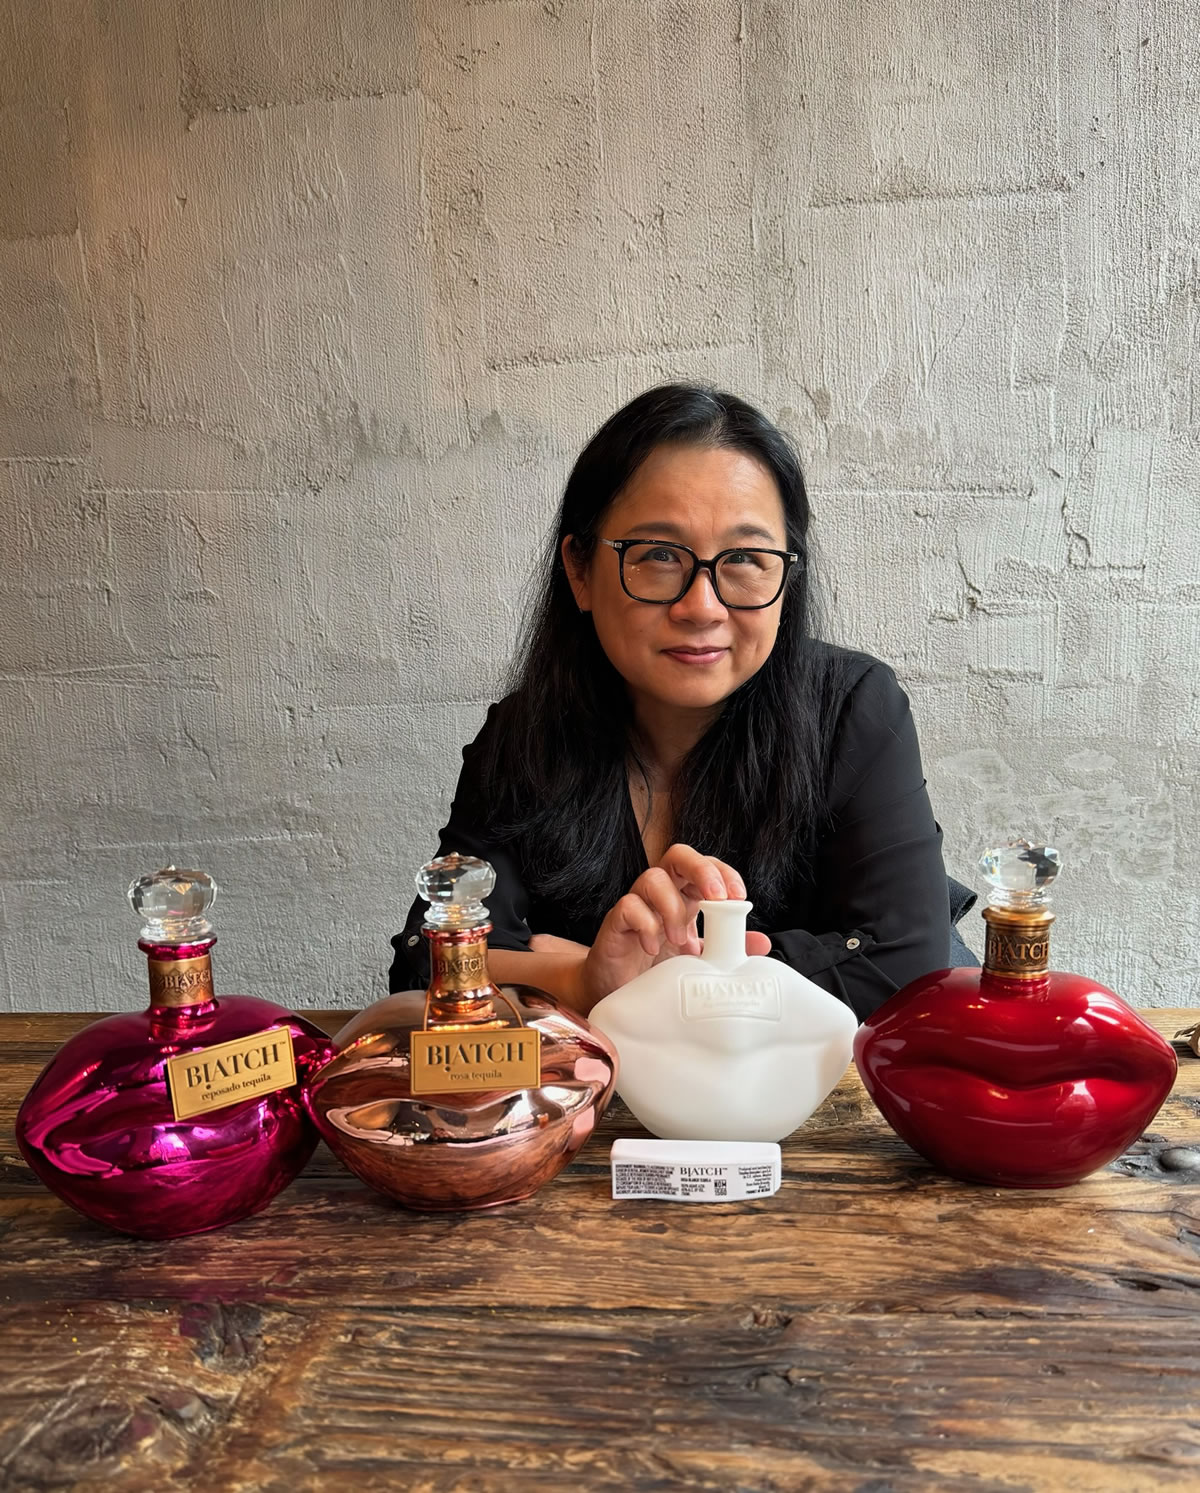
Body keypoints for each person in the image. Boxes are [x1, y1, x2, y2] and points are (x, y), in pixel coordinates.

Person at [390, 384, 974, 1020]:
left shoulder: (852, 710)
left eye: (745, 557)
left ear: (787, 578)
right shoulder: (524, 736)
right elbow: (430, 964)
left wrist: (645, 980)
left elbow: (904, 969)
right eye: (660, 555)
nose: (702, 607)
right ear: (580, 571)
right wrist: (584, 977)